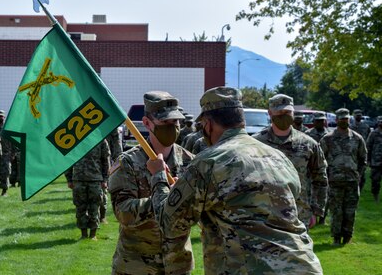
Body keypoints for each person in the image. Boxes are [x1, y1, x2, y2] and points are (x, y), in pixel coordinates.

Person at [147, 87, 323, 274]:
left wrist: (159, 177)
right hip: (303, 266)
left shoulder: (209, 162)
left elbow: (170, 224)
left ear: (207, 124)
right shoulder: (278, 157)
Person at [108, 91, 194, 275]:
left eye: (175, 122)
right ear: (147, 123)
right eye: (165, 123)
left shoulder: (190, 161)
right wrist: (165, 197)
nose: (172, 128)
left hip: (178, 265)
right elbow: (123, 212)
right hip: (136, 265)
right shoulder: (128, 162)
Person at [253, 94, 328, 229]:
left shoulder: (308, 144)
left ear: (293, 112)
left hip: (299, 214)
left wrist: (316, 210)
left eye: (287, 112)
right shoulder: (256, 143)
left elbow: (320, 178)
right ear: (270, 113)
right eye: (280, 112)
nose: (284, 115)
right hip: (264, 215)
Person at [320, 108, 367, 245]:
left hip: (352, 181)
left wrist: (358, 174)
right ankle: (336, 237)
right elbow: (320, 160)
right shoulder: (328, 139)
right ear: (336, 120)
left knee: (350, 211)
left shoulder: (357, 138)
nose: (344, 121)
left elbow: (363, 159)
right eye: (341, 118)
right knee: (336, 211)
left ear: (349, 119)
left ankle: (347, 236)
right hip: (334, 181)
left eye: (346, 118)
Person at [67, 139, 110, 240]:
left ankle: (93, 234)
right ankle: (83, 234)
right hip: (78, 179)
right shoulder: (74, 139)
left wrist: (105, 179)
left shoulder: (100, 140)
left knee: (94, 207)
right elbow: (68, 160)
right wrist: (69, 179)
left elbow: (106, 160)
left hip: (95, 179)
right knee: (80, 208)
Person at [0, 110, 13, 196]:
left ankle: (4, 191)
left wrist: (13, 153)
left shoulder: (8, 127)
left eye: (1, 116)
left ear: (4, 117)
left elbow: (13, 141)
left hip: (6, 154)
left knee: (5, 173)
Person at [350, 109, 371, 191]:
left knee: (362, 174)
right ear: (354, 116)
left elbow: (368, 140)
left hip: (362, 153)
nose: (358, 116)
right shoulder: (350, 127)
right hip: (352, 153)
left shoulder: (366, 127)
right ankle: (353, 189)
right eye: (357, 114)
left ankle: (359, 189)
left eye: (360, 114)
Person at [366, 116, 382, 202]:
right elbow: (368, 147)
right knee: (375, 180)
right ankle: (375, 195)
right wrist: (368, 160)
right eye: (380, 122)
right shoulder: (373, 134)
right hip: (376, 161)